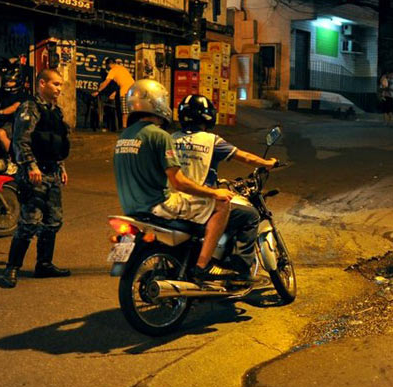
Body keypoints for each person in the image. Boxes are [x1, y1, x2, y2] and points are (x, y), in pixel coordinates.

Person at [112, 79, 237, 281]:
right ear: (157, 103)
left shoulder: (124, 136)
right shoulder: (160, 136)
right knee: (222, 204)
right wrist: (215, 192)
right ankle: (202, 265)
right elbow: (178, 182)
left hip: (130, 206)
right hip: (158, 204)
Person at [171, 94, 276, 275]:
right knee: (250, 215)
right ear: (208, 116)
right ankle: (241, 267)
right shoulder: (211, 141)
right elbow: (245, 157)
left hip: (174, 202)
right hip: (202, 203)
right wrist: (267, 163)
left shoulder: (170, 139)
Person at [0, 69, 72, 289]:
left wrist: (61, 166)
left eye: (60, 85)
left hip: (51, 173)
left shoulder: (55, 111)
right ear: (42, 84)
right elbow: (21, 141)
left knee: (53, 221)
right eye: (55, 84)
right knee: (29, 223)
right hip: (34, 174)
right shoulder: (30, 108)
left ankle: (44, 264)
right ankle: (11, 269)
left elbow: (56, 142)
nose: (59, 89)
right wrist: (31, 165)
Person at [94, 58, 136, 131]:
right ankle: (132, 128)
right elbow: (123, 80)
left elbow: (106, 82)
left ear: (109, 64)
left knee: (125, 112)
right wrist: (115, 93)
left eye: (106, 65)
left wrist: (98, 91)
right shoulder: (122, 68)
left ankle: (125, 129)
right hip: (134, 89)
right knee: (131, 110)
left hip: (126, 90)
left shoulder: (112, 70)